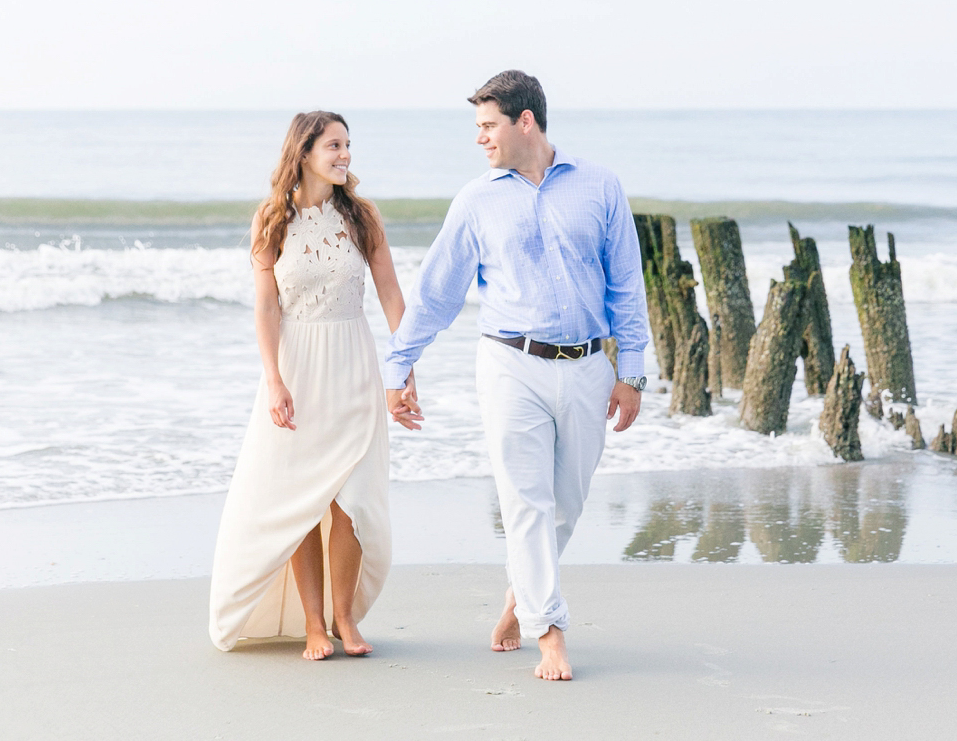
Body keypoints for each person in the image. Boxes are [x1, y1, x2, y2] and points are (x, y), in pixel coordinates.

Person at [383, 70, 649, 681]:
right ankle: (549, 632)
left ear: (524, 121)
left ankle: (517, 599)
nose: (479, 139)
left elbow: (626, 287)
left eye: (487, 125)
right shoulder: (477, 199)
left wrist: (630, 372)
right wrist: (399, 365)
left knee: (565, 507)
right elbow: (436, 292)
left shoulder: (601, 188)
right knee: (525, 503)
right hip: (508, 364)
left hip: (586, 365)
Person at [209, 111, 419, 659]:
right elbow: (265, 307)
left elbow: (392, 295)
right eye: (334, 145)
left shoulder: (362, 216)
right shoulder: (271, 219)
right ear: (303, 153)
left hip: (354, 364)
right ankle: (312, 625)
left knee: (351, 504)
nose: (345, 153)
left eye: (348, 144)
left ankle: (345, 619)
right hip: (297, 369)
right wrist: (274, 379)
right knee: (303, 500)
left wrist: (404, 369)